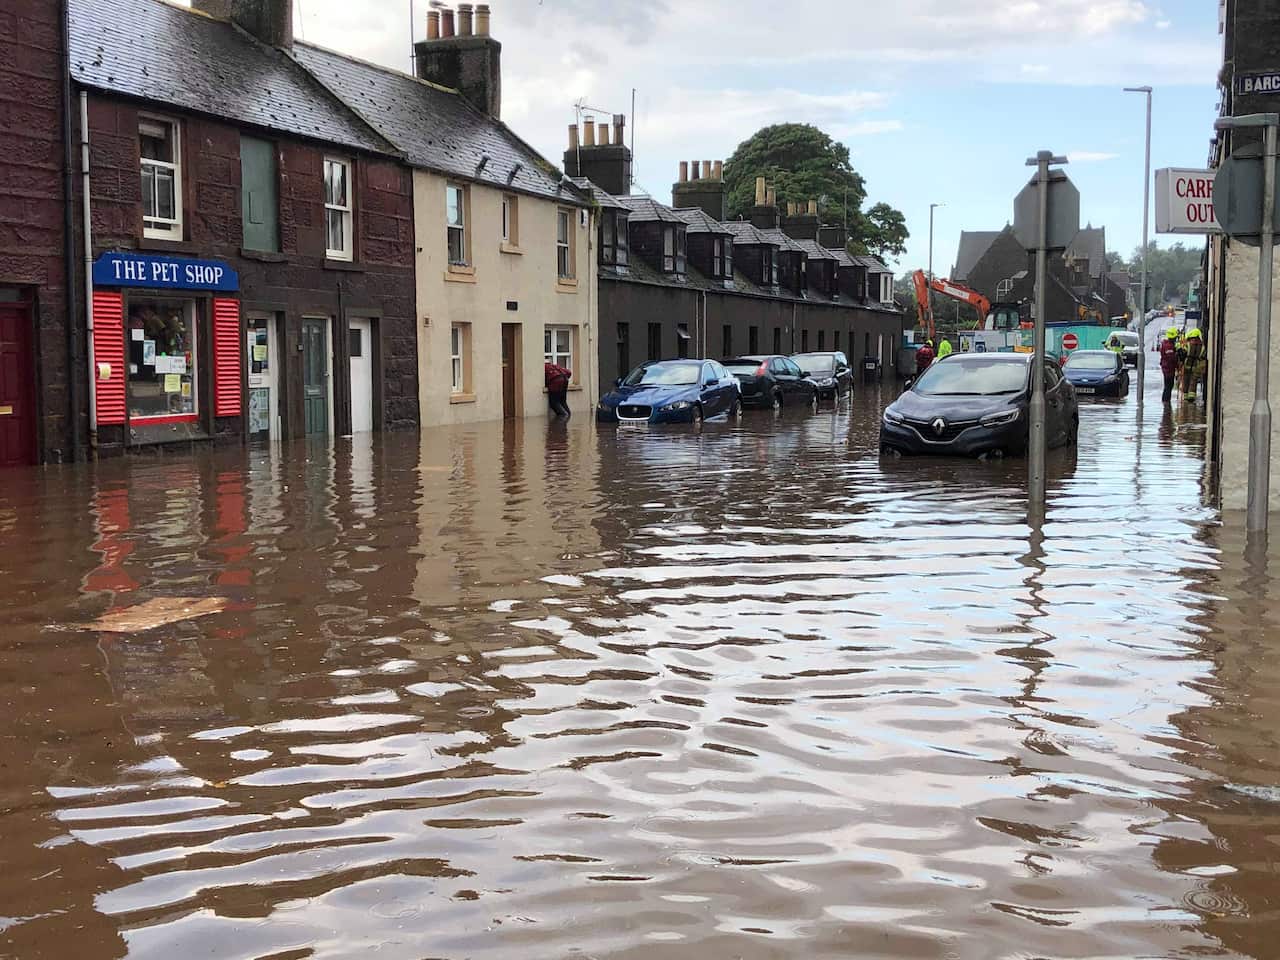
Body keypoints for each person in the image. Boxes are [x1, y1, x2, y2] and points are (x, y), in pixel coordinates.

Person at [1182, 328, 1206, 402]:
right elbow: (1203, 356)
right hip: (1196, 366)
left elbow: (1183, 353)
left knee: (1185, 381)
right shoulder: (1202, 346)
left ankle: (1185, 396)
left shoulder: (1187, 345)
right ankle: (1191, 397)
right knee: (1193, 381)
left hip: (1187, 365)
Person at [1158, 326, 1180, 403]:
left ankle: (1166, 401)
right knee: (1168, 386)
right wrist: (1177, 357)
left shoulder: (1167, 344)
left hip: (1167, 367)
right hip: (1168, 368)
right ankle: (1166, 401)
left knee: (1168, 386)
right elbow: (1171, 358)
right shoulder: (1169, 346)